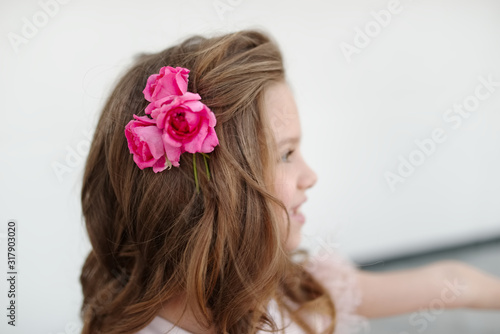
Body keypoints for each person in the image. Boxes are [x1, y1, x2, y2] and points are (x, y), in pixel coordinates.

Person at [79, 29, 500, 334]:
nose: (310, 176)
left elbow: (451, 284)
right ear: (205, 193)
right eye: (285, 154)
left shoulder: (297, 292)